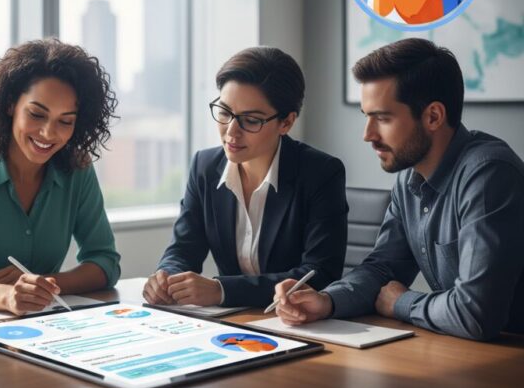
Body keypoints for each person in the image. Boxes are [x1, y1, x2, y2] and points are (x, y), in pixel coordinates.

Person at [273, 38, 524, 341]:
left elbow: (476, 314)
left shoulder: (489, 175)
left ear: (433, 116)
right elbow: (382, 268)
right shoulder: (409, 178)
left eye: (382, 118)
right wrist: (326, 301)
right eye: (367, 116)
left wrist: (401, 302)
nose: (368, 135)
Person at [143, 46, 347, 309]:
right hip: (232, 324)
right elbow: (183, 249)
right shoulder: (204, 167)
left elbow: (319, 274)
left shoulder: (320, 173)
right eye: (225, 112)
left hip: (296, 322)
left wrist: (222, 291)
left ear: (286, 122)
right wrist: (167, 277)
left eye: (251, 120)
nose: (231, 132)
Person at [0, 38, 121, 315]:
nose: (48, 133)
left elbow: (105, 262)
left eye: (65, 121)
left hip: (43, 324)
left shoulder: (77, 169)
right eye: (36, 114)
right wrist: (8, 297)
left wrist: (44, 285)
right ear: (10, 104)